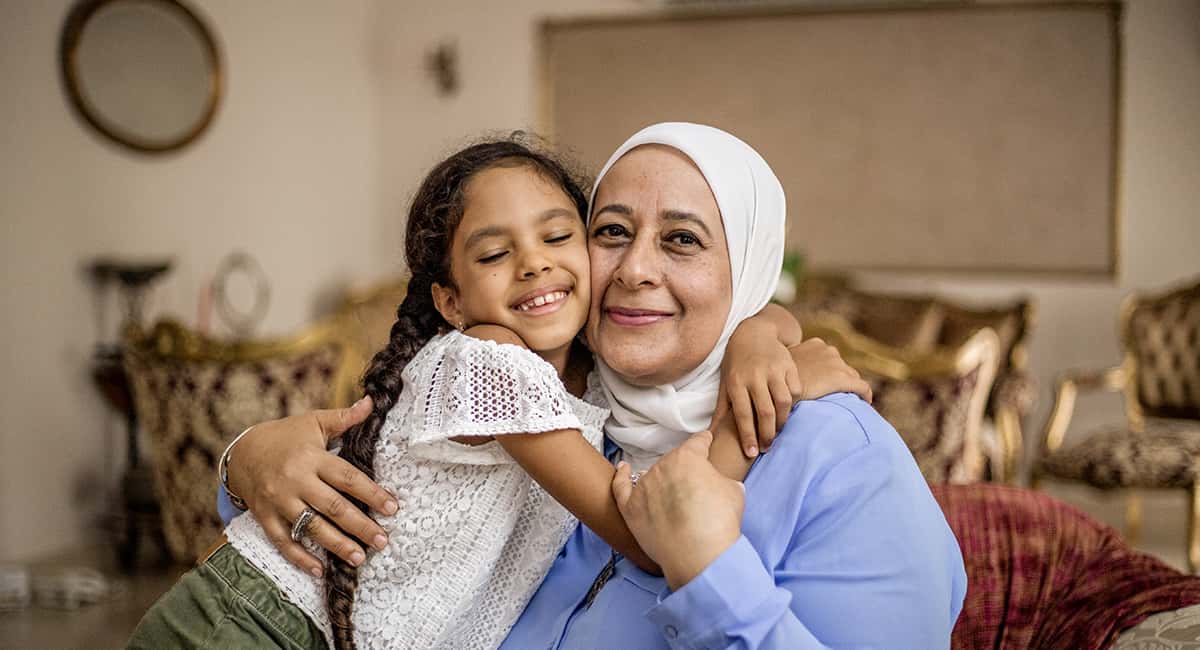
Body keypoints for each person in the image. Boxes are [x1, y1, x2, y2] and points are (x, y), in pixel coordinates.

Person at [222, 123, 966, 648]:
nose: (635, 268)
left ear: (749, 269)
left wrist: (711, 569)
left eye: (681, 239)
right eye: (610, 231)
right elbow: (387, 500)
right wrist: (248, 459)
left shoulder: (839, 455)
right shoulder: (572, 401)